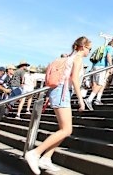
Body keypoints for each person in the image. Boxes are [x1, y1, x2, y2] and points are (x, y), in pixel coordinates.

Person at [25, 37, 91, 174]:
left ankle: (46, 158)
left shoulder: (70, 57)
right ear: (82, 47)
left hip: (60, 91)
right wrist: (80, 99)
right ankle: (35, 153)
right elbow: (74, 79)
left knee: (64, 129)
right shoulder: (78, 58)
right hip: (62, 92)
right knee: (67, 130)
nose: (89, 52)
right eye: (89, 49)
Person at [85, 40, 113, 109]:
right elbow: (109, 56)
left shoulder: (102, 47)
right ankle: (89, 99)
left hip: (95, 66)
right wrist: (111, 66)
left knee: (97, 83)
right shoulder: (110, 48)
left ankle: (98, 99)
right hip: (102, 66)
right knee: (100, 84)